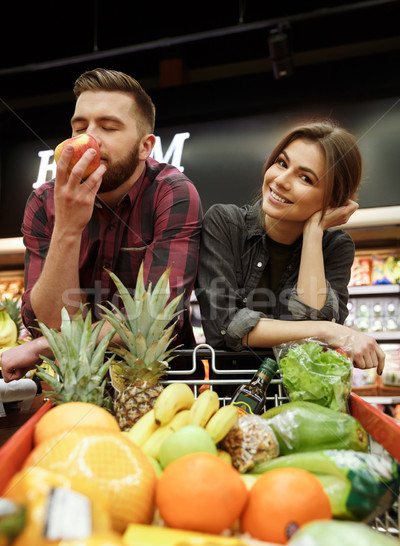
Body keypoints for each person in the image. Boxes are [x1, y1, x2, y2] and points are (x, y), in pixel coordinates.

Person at [2, 68, 202, 382]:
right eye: (79, 126)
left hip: (159, 387)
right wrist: (67, 228)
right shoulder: (44, 202)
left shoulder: (171, 193)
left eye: (108, 127)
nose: (89, 138)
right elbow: (50, 325)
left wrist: (41, 348)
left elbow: (155, 319)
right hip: (74, 385)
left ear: (145, 147)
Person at [195, 118, 385, 374]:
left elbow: (312, 341)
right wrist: (329, 330)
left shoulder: (335, 247)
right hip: (232, 397)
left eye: (305, 178)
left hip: (303, 394)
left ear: (333, 200)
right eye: (281, 163)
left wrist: (314, 232)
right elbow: (225, 327)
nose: (281, 180)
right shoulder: (225, 223)